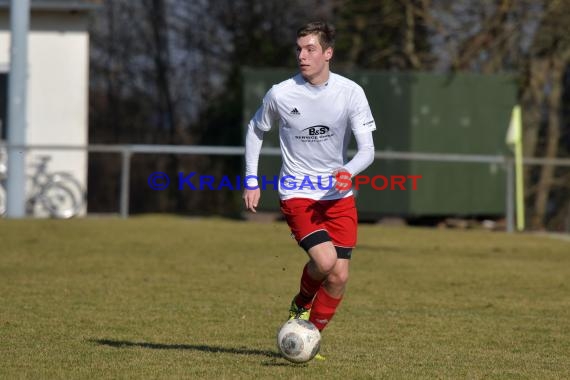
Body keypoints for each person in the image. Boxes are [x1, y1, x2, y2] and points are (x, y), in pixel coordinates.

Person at [242, 21, 376, 358]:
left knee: (339, 277)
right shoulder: (281, 93)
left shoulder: (351, 92)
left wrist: (348, 171)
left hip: (338, 196)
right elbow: (256, 130)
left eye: (310, 49)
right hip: (297, 192)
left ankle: (309, 336)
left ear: (328, 53)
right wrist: (251, 179)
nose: (302, 55)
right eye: (299, 48)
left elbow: (367, 150)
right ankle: (301, 303)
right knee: (326, 260)